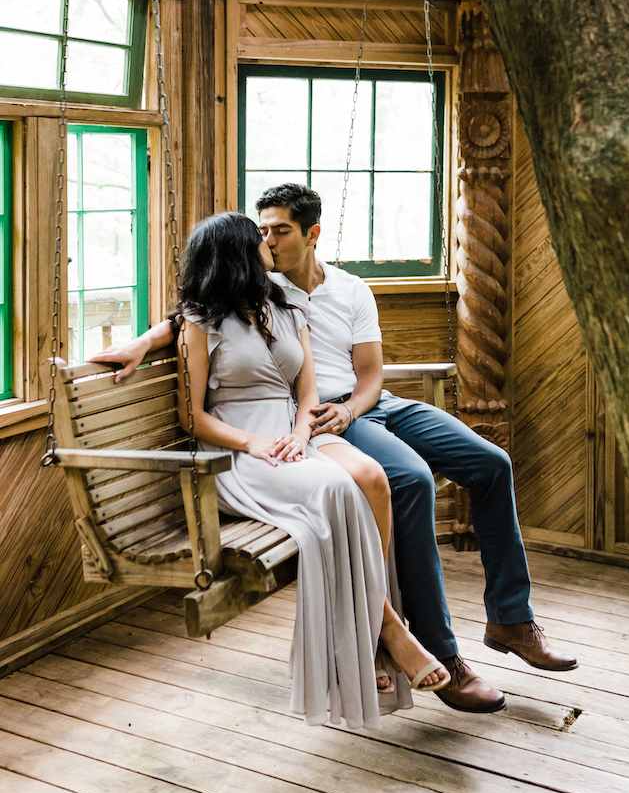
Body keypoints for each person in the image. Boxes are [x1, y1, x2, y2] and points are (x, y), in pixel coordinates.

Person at [93, 184, 578, 716]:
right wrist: (142, 341)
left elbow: (371, 375)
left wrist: (352, 409)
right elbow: (196, 312)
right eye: (263, 231)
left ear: (312, 234)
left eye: (280, 230)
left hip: (363, 405)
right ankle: (438, 651)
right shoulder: (258, 282)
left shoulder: (348, 289)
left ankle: (510, 615)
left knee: (491, 463)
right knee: (411, 480)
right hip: (314, 417)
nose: (269, 240)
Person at [171, 211, 449, 729]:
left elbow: (308, 392)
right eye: (258, 237)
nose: (268, 242)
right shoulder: (201, 323)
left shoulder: (283, 303)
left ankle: (370, 627)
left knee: (372, 478)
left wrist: (302, 434)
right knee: (338, 491)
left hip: (294, 435)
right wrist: (256, 443)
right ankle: (386, 629)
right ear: (236, 250)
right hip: (243, 451)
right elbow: (193, 417)